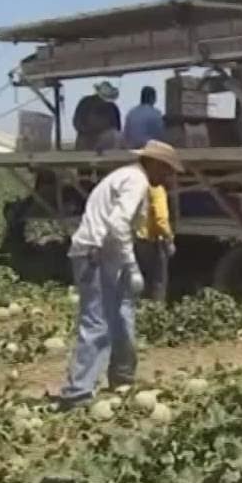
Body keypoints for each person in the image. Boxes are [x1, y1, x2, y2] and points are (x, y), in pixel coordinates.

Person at [54, 140, 183, 409]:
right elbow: (117, 223)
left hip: (105, 254)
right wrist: (131, 264)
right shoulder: (136, 180)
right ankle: (77, 393)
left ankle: (122, 378)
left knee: (123, 313)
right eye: (167, 170)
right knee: (98, 321)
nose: (168, 177)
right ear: (154, 163)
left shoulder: (126, 177)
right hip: (95, 255)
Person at [134, 181, 174, 303]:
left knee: (143, 278)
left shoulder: (141, 188)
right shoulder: (157, 190)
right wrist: (169, 237)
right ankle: (156, 308)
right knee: (158, 280)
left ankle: (141, 306)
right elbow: (160, 219)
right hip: (154, 239)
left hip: (139, 238)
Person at [72, 81, 122, 151]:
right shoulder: (85, 102)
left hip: (106, 144)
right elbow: (77, 123)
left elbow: (117, 128)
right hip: (86, 142)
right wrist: (91, 132)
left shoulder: (113, 107)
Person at [123, 86, 166, 150]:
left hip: (132, 149)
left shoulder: (131, 113)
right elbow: (160, 135)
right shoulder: (155, 113)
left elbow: (126, 134)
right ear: (152, 98)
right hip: (149, 150)